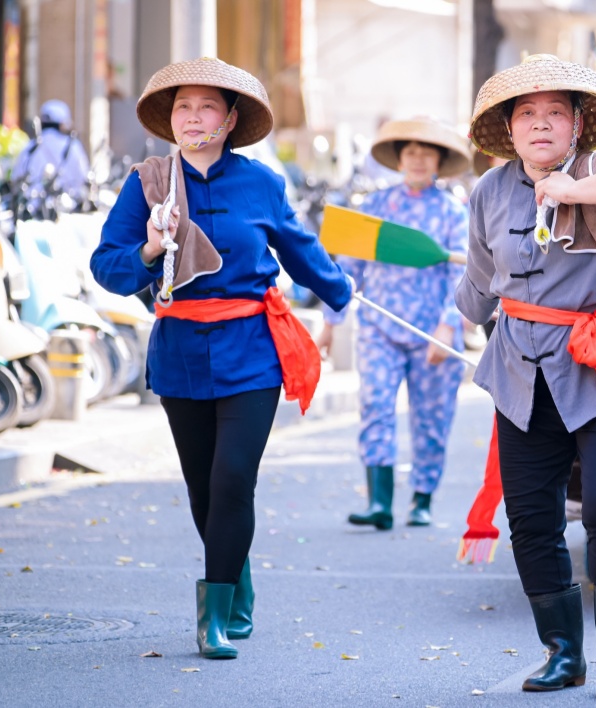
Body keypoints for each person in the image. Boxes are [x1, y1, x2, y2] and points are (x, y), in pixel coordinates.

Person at [90, 58, 352, 659]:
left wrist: (341, 294)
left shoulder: (262, 184)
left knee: (234, 478)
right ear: (171, 119)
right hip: (179, 352)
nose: (193, 117)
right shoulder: (147, 182)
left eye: (207, 106)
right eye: (183, 107)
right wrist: (151, 247)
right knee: (204, 491)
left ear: (231, 119)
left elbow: (299, 247)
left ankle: (211, 617)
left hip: (251, 350)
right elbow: (106, 265)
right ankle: (236, 576)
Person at [455, 54, 596, 698]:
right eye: (528, 114)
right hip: (518, 368)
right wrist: (457, 318)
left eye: (556, 112)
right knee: (531, 518)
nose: (541, 124)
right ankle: (561, 652)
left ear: (579, 126)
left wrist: (577, 191)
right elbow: (477, 279)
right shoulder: (489, 192)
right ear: (510, 128)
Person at [319, 118, 469, 529]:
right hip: (379, 327)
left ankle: (422, 499)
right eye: (410, 153)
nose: (418, 160)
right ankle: (379, 503)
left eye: (427, 153)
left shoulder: (454, 213)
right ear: (399, 160)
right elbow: (347, 269)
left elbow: (464, 275)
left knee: (432, 419)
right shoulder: (375, 208)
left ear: (439, 161)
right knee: (376, 407)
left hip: (431, 334)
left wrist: (448, 327)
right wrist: (332, 321)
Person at [11, 99, 92, 211]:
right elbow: (82, 177)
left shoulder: (30, 146)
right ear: (63, 123)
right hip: (65, 210)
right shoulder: (73, 146)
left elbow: (16, 177)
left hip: (31, 210)